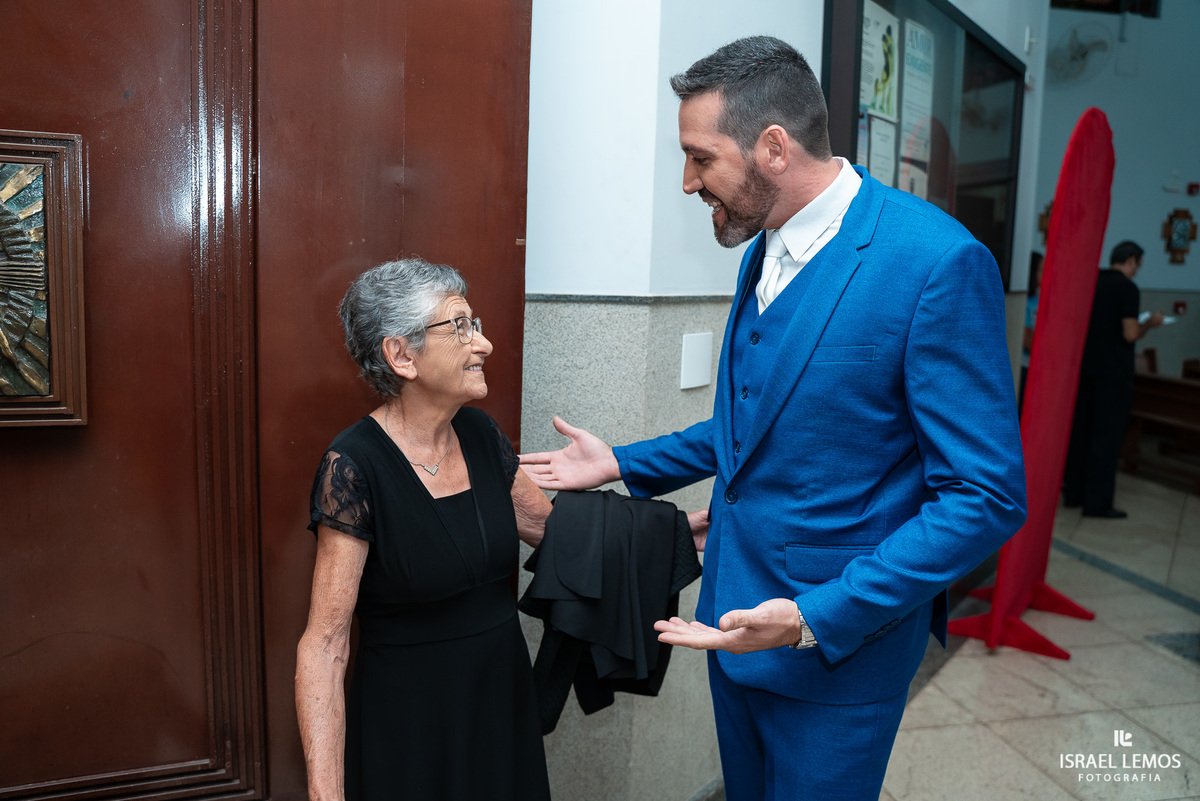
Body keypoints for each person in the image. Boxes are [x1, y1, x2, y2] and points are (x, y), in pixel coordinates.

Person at [519, 36, 1026, 801]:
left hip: (838, 651)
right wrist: (622, 461)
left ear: (775, 149)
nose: (688, 182)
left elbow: (987, 497)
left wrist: (813, 616)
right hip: (734, 629)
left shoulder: (935, 263)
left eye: (701, 158)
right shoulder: (763, 246)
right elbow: (758, 422)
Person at [295, 258, 552, 801]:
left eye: (473, 323)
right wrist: (325, 793)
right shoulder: (353, 466)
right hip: (408, 728)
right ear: (402, 355)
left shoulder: (481, 434)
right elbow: (325, 645)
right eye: (459, 327)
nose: (483, 344)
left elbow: (553, 533)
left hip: (499, 709)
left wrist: (672, 531)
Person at [1063, 241, 1163, 518]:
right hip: (1113, 375)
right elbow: (1130, 334)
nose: (1136, 271)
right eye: (1138, 265)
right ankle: (1097, 503)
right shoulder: (1127, 288)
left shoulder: (1091, 282)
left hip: (1085, 369)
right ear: (1131, 260)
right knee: (1106, 438)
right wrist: (1150, 324)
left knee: (1081, 434)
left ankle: (1073, 494)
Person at [1019, 251, 1044, 414]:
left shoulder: (1042, 298)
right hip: (1024, 366)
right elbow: (1027, 342)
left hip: (1039, 366)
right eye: (1041, 269)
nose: (1045, 273)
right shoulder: (1024, 301)